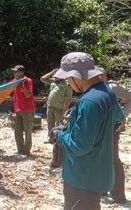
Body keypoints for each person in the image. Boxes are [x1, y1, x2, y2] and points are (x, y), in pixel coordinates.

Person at [50, 52, 125, 210]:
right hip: (97, 172)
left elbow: (79, 146)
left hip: (81, 177)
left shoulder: (88, 101)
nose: (69, 83)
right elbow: (119, 118)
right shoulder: (107, 92)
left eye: (68, 79)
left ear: (76, 77)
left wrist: (59, 135)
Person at [98, 68, 130, 204]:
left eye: (100, 75)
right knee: (101, 158)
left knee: (113, 159)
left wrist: (123, 113)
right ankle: (103, 189)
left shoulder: (113, 87)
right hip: (100, 127)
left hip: (112, 127)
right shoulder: (96, 88)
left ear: (104, 75)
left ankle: (118, 195)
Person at [40, 68, 73, 143]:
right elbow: (42, 78)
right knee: (50, 123)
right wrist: (52, 72)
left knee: (59, 125)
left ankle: (58, 140)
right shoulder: (53, 81)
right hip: (50, 106)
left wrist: (65, 112)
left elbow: (68, 100)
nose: (56, 76)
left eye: (58, 74)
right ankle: (50, 138)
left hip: (59, 108)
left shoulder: (67, 84)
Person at [11, 65, 35, 156]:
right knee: (17, 131)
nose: (14, 73)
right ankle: (20, 150)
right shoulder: (14, 81)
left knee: (28, 131)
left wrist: (23, 84)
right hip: (18, 110)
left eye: (16, 71)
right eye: (14, 71)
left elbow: (28, 95)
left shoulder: (28, 81)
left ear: (22, 72)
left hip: (28, 110)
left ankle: (27, 151)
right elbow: (6, 88)